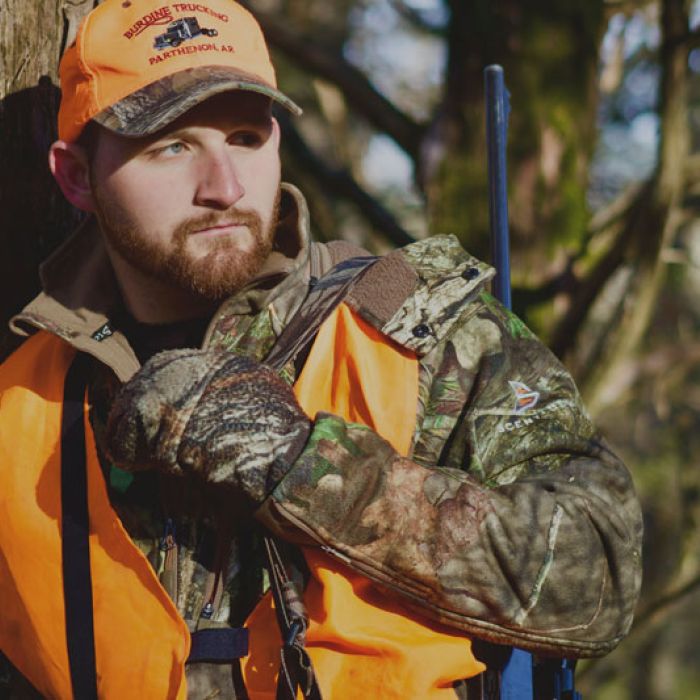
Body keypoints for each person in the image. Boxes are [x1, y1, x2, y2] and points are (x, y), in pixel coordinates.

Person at [0, 1, 643, 698]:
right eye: (172, 147)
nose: (225, 187)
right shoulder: (21, 402)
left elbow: (601, 576)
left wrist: (304, 465)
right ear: (76, 177)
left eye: (245, 137)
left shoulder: (422, 332)